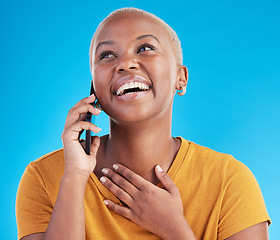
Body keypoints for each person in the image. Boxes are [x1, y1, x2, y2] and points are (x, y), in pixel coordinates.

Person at [16, 7, 271, 240]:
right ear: (94, 88)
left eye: (145, 48)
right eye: (107, 55)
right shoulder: (43, 178)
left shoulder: (230, 181)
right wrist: (74, 177)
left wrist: (174, 229)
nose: (125, 64)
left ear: (180, 79)